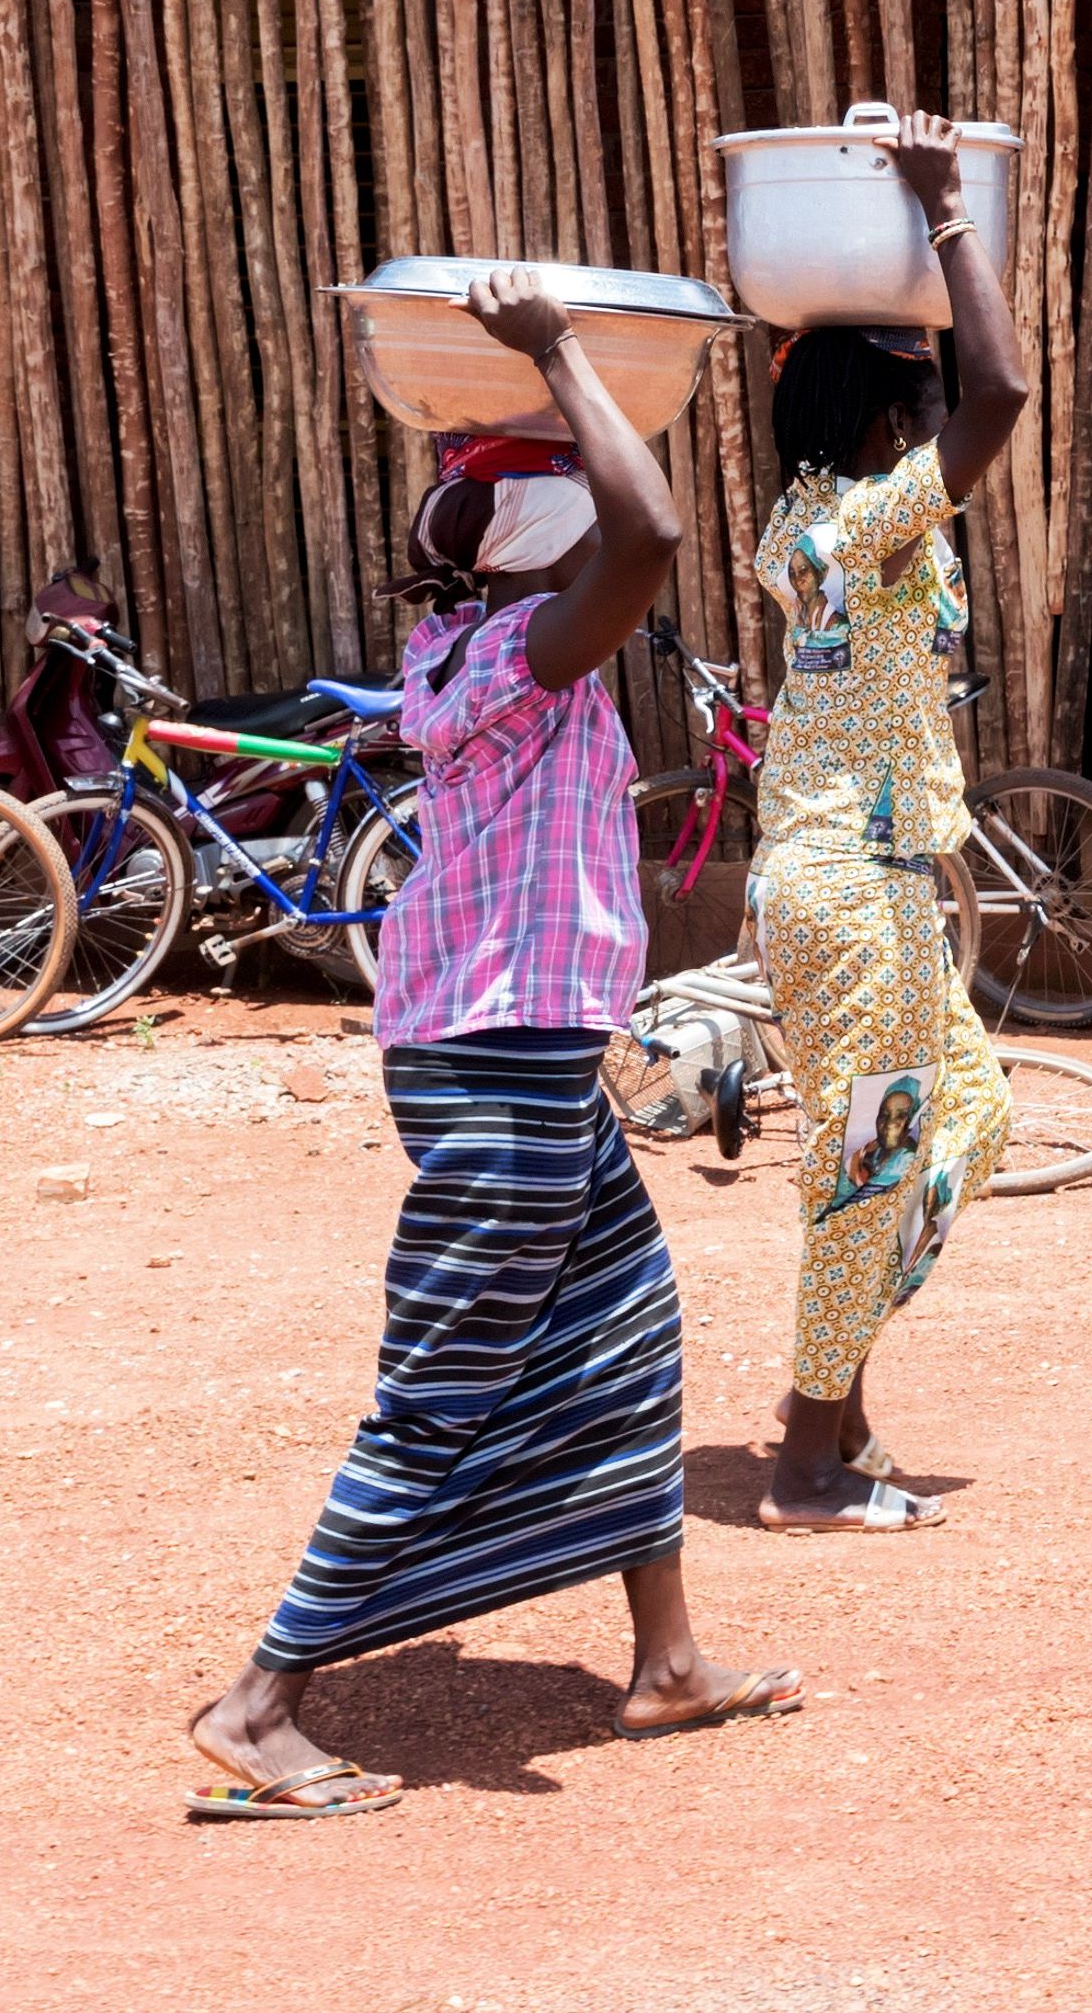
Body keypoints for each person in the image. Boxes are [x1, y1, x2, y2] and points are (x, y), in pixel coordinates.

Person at [186, 266, 797, 1821]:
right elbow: (648, 531)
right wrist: (554, 354)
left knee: (626, 1322)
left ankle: (664, 1659)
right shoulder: (532, 649)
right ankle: (262, 1702)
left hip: (502, 1042)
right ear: (553, 560)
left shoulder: (462, 652)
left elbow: (614, 531)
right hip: (503, 1053)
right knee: (447, 1372)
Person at [746, 110, 1029, 1534]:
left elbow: (964, 398)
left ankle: (834, 1393)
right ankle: (808, 1455)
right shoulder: (858, 522)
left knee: (964, 1118)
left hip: (868, 877)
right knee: (869, 1153)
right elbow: (1008, 391)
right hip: (851, 883)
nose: (935, 418)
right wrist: (943, 212)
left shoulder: (817, 513)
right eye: (910, 399)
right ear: (872, 418)